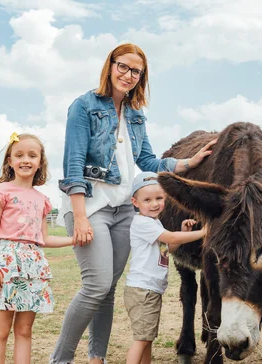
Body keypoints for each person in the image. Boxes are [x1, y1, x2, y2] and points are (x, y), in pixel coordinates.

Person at [50, 42, 218, 364]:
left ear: (142, 77)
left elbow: (149, 161)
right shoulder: (84, 106)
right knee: (96, 285)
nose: (128, 75)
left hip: (124, 209)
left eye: (136, 71)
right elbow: (73, 165)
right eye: (123, 67)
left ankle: (96, 357)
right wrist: (80, 216)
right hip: (90, 206)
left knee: (108, 288)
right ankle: (61, 359)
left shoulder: (136, 116)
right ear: (110, 65)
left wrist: (188, 161)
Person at [0, 132, 75, 364]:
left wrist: (73, 240)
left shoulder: (41, 200)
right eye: (19, 154)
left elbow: (44, 238)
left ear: (40, 162)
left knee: (24, 331)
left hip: (33, 267)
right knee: (1, 331)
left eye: (32, 155)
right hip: (6, 266)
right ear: (9, 161)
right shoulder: (0, 192)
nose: (26, 159)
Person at [124, 171, 207, 364]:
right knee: (141, 340)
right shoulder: (143, 223)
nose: (154, 204)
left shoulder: (154, 222)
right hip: (142, 291)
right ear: (135, 202)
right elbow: (170, 238)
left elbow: (168, 247)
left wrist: (183, 231)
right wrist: (202, 232)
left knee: (147, 339)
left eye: (159, 198)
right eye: (147, 200)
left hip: (150, 290)